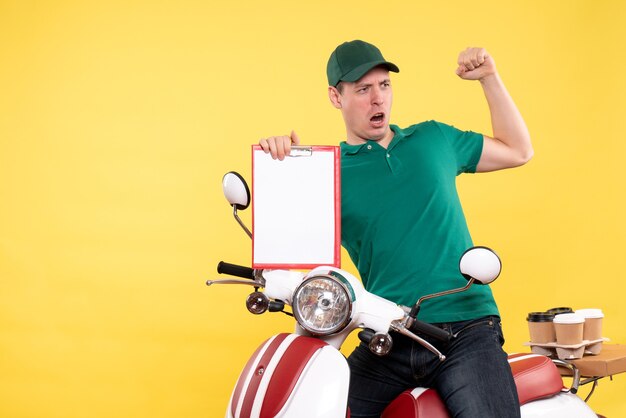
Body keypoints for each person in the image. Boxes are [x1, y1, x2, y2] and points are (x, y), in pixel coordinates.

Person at [259, 40, 532, 418]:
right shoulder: (326, 174)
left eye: (384, 85)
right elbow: (280, 257)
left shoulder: (433, 139)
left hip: (465, 328)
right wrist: (282, 170)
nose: (378, 99)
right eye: (363, 89)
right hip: (387, 333)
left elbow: (518, 150)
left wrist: (489, 79)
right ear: (336, 97)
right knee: (315, 406)